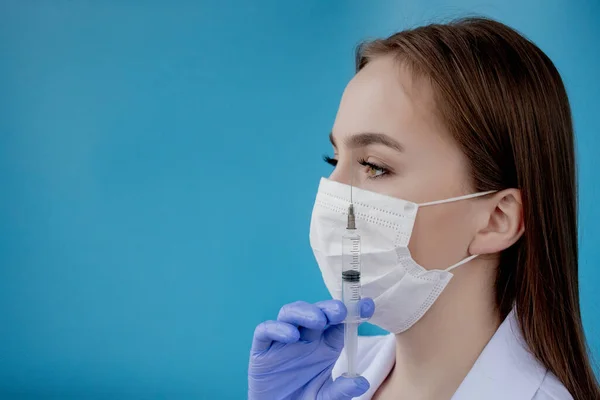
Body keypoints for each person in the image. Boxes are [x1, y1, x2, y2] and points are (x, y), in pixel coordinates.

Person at [247, 17, 600, 400]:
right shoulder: (325, 379)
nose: (332, 196)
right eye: (335, 161)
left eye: (375, 166)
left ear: (497, 219)